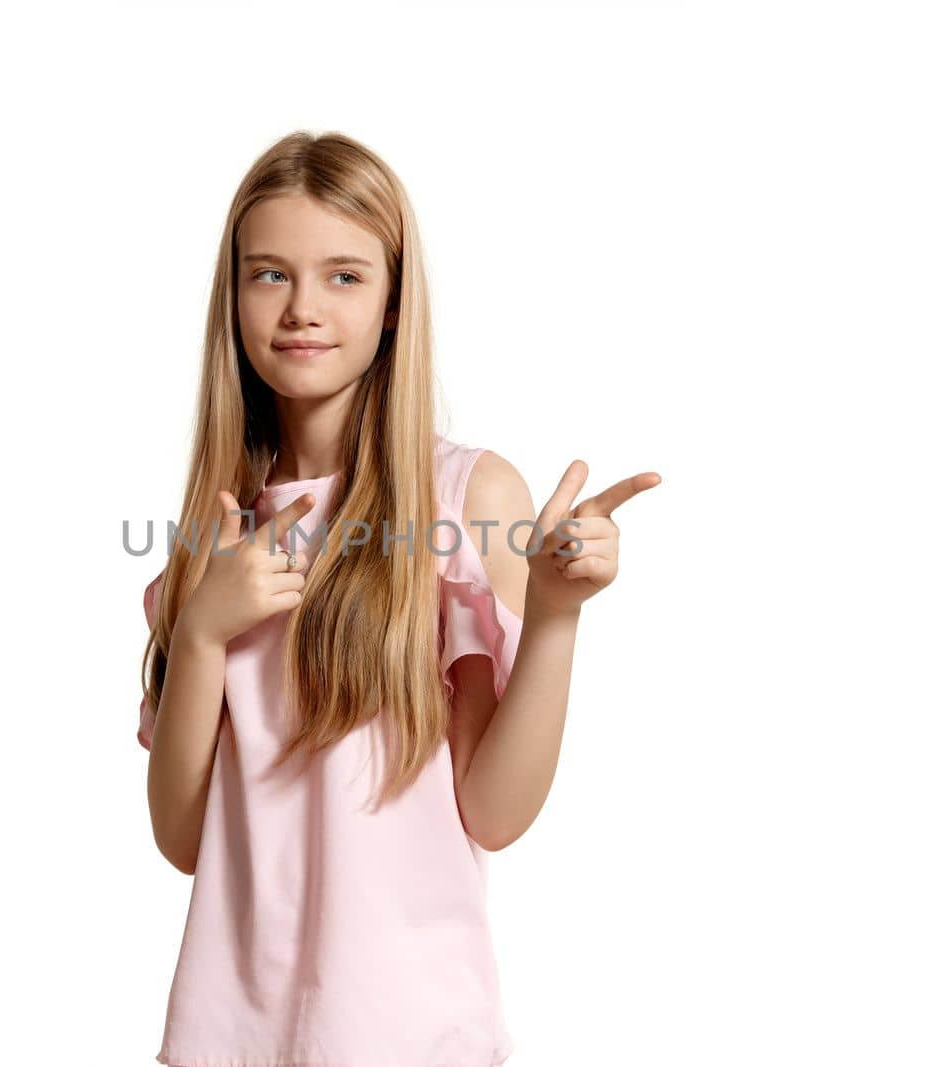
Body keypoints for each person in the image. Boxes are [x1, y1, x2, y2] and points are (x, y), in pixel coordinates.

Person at [134, 130, 660, 1067]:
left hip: (412, 1036)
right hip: (232, 1042)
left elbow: (491, 812)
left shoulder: (463, 498)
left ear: (391, 304)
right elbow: (182, 837)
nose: (301, 308)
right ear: (234, 296)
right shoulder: (216, 533)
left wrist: (553, 615)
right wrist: (206, 630)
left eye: (343, 275)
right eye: (268, 275)